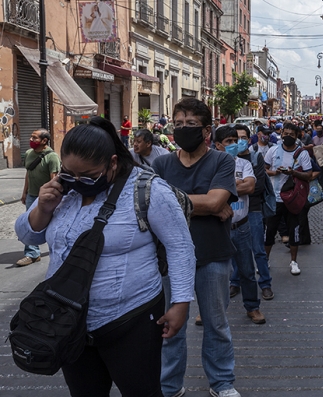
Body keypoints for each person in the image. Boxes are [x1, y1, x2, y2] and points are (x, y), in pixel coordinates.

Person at [15, 117, 195, 396]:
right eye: (69, 173)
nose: (77, 182)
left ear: (112, 163)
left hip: (130, 316)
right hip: (68, 318)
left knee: (142, 391)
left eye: (88, 176)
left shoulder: (148, 190)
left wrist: (180, 302)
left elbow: (180, 247)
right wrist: (44, 207)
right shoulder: (64, 189)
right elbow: (29, 236)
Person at [152, 98, 241, 397]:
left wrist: (210, 203)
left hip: (213, 254)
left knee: (216, 324)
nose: (183, 129)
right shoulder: (161, 163)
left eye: (190, 124)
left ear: (206, 130)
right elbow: (152, 206)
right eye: (178, 124)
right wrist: (205, 204)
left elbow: (217, 201)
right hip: (169, 259)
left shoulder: (222, 161)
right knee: (170, 327)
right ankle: (169, 387)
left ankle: (222, 383)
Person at [213, 125, 266, 325]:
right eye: (229, 142)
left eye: (236, 141)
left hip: (241, 226)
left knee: (247, 271)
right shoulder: (210, 165)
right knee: (214, 272)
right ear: (219, 145)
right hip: (218, 228)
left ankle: (252, 307)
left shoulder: (244, 164)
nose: (234, 145)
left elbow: (250, 186)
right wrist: (236, 187)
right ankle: (208, 309)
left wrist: (221, 190)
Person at [264, 123, 313, 275]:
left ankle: (294, 261)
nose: (288, 137)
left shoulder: (302, 153)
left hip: (293, 199)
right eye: (285, 133)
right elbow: (264, 170)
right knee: (270, 231)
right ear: (281, 134)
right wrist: (274, 173)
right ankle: (264, 260)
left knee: (294, 230)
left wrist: (294, 173)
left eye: (292, 134)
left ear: (297, 136)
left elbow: (309, 174)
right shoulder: (273, 150)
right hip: (275, 198)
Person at [232, 124, 274, 300]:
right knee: (235, 250)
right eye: (235, 139)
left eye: (242, 138)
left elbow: (255, 188)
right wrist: (242, 185)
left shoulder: (256, 158)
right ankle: (235, 282)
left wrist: (232, 187)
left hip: (254, 210)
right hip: (234, 212)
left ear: (249, 140)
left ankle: (265, 284)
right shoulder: (227, 159)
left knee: (258, 249)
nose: (239, 141)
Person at [16, 128, 60, 267]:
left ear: (44, 141)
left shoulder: (51, 157)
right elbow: (28, 174)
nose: (31, 140)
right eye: (31, 136)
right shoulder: (29, 153)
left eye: (34, 138)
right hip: (32, 195)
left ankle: (58, 249)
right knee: (31, 225)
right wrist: (25, 192)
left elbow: (55, 179)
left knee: (52, 223)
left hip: (46, 198)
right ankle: (32, 254)